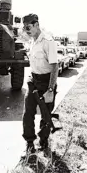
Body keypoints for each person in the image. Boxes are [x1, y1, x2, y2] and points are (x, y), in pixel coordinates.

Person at [21, 13, 59, 154]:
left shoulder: (48, 41)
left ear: (37, 25)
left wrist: (50, 89)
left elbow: (55, 66)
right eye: (24, 28)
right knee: (28, 113)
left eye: (28, 27)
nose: (26, 30)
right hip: (34, 80)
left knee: (45, 114)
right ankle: (29, 143)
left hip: (46, 81)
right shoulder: (32, 41)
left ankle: (43, 142)